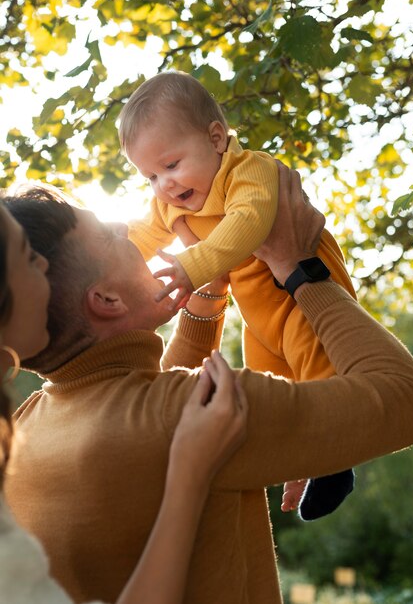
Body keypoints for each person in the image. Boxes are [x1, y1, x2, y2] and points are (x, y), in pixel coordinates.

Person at [4, 165, 413, 604]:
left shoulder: (24, 429)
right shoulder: (203, 411)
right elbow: (403, 396)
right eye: (110, 238)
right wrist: (298, 270)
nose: (126, 226)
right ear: (107, 301)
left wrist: (208, 291)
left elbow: (141, 400)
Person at [118, 70, 355, 520]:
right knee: (269, 392)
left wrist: (192, 266)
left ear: (215, 138)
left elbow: (247, 225)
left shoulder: (249, 171)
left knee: (320, 367)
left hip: (301, 292)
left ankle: (335, 463)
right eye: (149, 176)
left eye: (170, 165)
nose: (164, 185)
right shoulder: (168, 204)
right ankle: (301, 456)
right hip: (258, 314)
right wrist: (106, 266)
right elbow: (137, 240)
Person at [0, 200, 248, 603]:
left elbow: (146, 413)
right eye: (29, 259)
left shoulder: (25, 424)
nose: (46, 269)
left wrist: (204, 303)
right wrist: (300, 266)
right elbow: (389, 392)